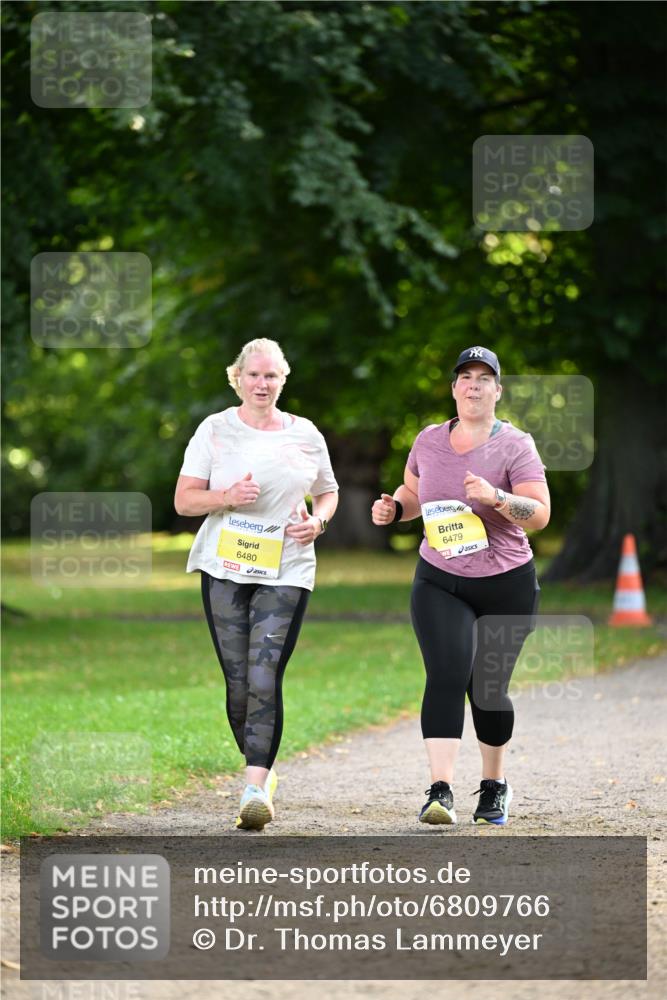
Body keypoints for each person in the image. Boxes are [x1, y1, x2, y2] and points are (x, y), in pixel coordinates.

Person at [372, 346, 550, 826]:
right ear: (454, 388)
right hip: (439, 579)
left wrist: (495, 497)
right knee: (447, 673)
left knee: (488, 691)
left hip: (505, 582)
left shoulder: (516, 444)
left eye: (484, 378)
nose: (474, 385)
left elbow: (538, 514)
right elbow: (412, 494)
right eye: (465, 377)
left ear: (497, 390)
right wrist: (394, 510)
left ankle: (494, 785)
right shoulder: (428, 441)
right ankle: (440, 790)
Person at [174, 338, 338, 831]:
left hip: (287, 565)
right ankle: (262, 774)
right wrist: (226, 496)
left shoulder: (305, 434)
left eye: (271, 376)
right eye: (254, 375)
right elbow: (184, 500)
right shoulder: (215, 430)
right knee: (240, 683)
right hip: (225, 565)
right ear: (237, 378)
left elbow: (327, 492)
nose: (262, 384)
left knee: (265, 675)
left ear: (283, 380)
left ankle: (253, 786)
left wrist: (319, 523)